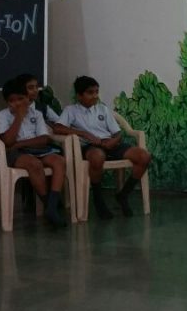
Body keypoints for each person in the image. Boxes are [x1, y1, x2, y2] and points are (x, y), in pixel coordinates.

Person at [54, 76, 151, 219]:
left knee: (144, 156)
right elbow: (57, 128)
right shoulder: (71, 110)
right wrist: (83, 133)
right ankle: (98, 199)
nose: (95, 96)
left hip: (110, 143)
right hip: (90, 146)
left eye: (96, 92)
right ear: (79, 95)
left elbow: (117, 133)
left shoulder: (102, 109)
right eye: (90, 92)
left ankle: (123, 195)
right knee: (98, 157)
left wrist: (114, 141)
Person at [0, 77, 67, 228]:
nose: (17, 104)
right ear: (7, 102)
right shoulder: (2, 116)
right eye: (12, 101)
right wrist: (19, 117)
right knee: (34, 164)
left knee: (59, 161)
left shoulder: (37, 114)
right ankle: (49, 205)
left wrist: (19, 143)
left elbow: (43, 139)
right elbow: (8, 141)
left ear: (28, 98)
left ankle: (52, 205)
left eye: (21, 99)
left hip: (37, 149)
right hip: (17, 154)